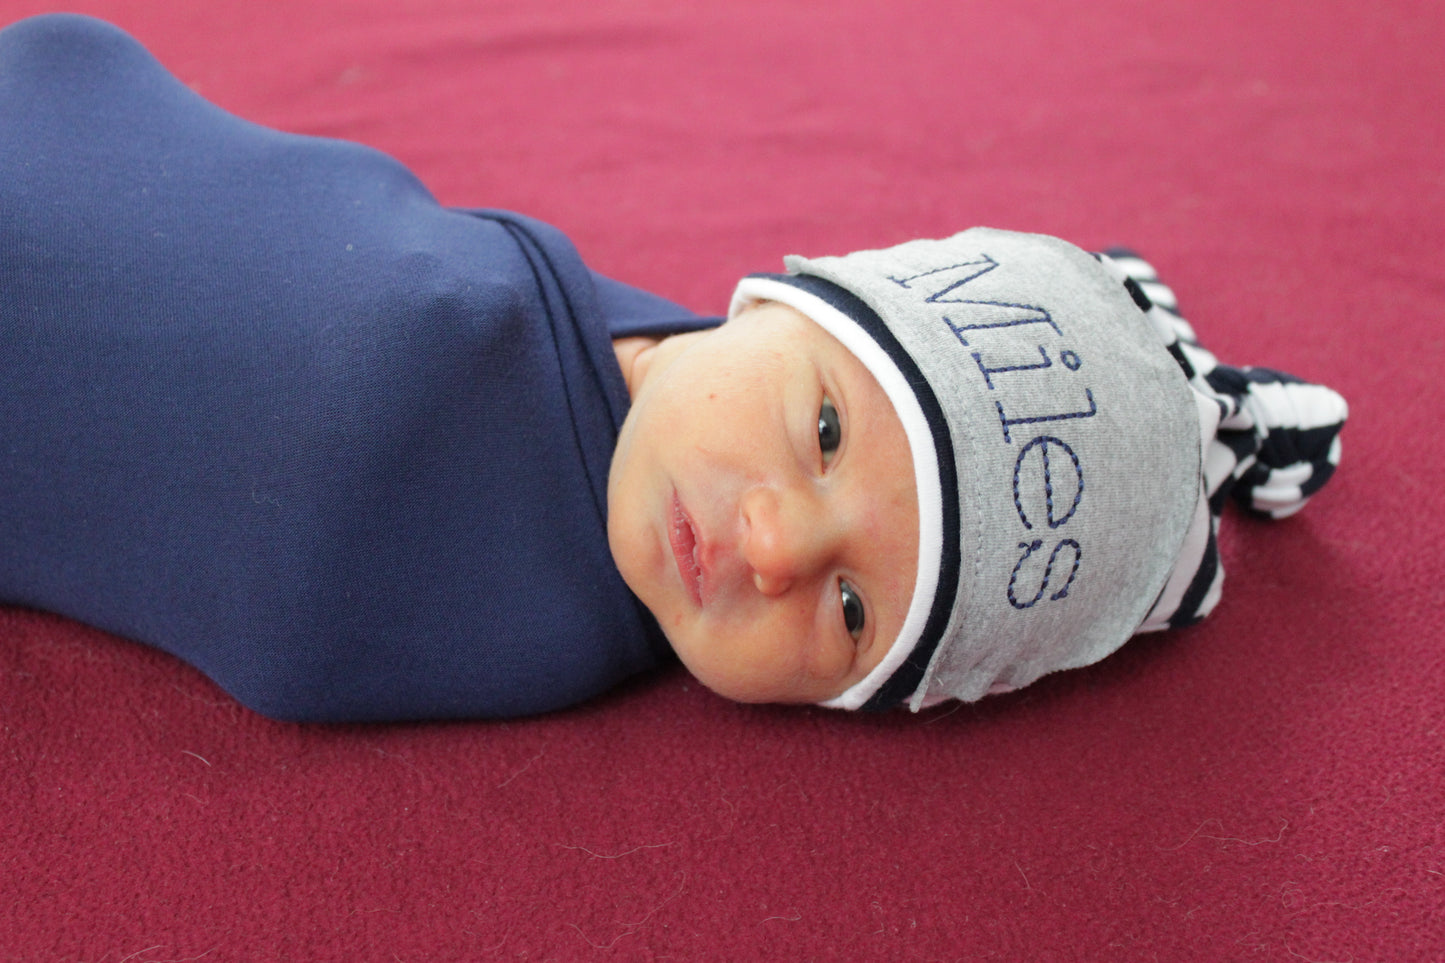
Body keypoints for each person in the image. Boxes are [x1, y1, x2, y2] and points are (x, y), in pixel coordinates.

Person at [0, 14, 1346, 722]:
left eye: (851, 616)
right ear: (766, 301)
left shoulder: (554, 637)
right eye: (823, 430)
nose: (769, 546)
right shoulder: (492, 319)